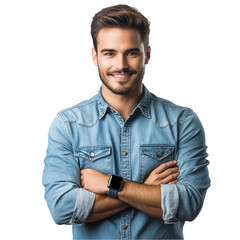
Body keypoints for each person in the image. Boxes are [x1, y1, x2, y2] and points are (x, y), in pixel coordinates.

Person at [42, 4, 210, 240]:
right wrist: (146, 189)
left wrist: (111, 184)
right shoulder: (68, 125)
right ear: (95, 56)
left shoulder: (182, 122)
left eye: (131, 52)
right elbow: (62, 208)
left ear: (147, 54)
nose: (120, 65)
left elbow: (189, 203)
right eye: (109, 53)